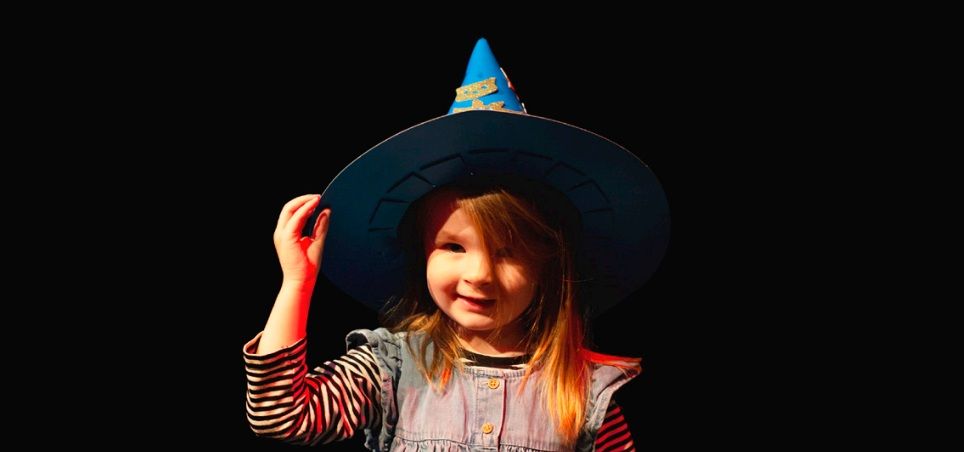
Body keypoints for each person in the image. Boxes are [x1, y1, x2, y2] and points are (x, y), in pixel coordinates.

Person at [243, 38, 670, 451]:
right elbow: (282, 417)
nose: (480, 274)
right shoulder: (392, 368)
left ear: (547, 264)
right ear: (423, 252)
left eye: (509, 252)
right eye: (453, 247)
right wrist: (296, 286)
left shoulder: (584, 392)